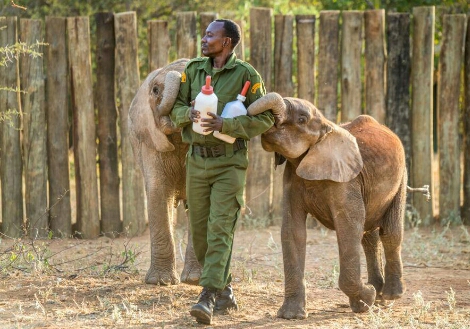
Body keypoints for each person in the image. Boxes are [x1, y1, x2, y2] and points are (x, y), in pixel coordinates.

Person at [170, 19, 274, 325]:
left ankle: (209, 295)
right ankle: (225, 290)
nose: (204, 39)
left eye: (210, 35)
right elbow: (175, 105)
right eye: (204, 34)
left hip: (229, 163)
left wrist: (226, 125)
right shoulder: (193, 70)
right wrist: (184, 113)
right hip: (196, 160)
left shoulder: (247, 75)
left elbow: (265, 118)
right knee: (200, 233)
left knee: (220, 228)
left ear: (226, 42)